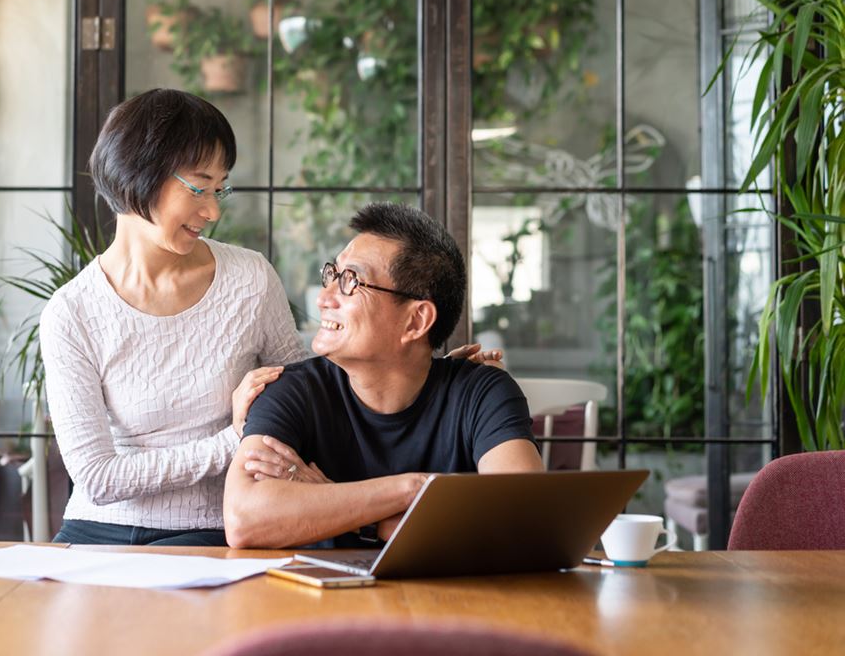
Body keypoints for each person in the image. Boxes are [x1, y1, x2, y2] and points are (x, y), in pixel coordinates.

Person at [41, 89, 502, 546]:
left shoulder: (249, 278)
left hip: (218, 529)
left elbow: (311, 390)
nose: (213, 210)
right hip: (94, 532)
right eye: (199, 186)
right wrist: (232, 439)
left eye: (221, 189)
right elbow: (98, 478)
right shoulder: (72, 312)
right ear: (136, 174)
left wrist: (433, 374)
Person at [223, 202, 544, 550]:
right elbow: (244, 521)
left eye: (351, 281)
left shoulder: (482, 391)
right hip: (320, 601)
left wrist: (358, 513)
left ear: (416, 321)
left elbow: (524, 524)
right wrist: (411, 489)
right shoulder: (288, 391)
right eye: (332, 275)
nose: (325, 298)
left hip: (451, 601)